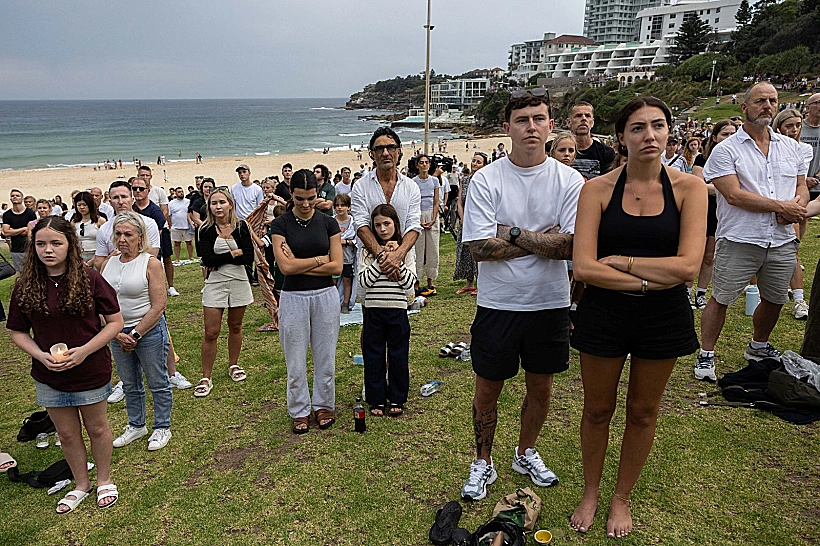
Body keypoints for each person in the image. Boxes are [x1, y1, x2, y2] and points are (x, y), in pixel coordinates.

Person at [569, 96, 706, 538]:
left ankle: (621, 497)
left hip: (662, 318)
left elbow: (687, 268)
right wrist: (653, 277)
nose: (650, 136)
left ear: (669, 132)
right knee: (597, 409)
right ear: (621, 138)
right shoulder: (597, 190)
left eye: (659, 126)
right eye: (638, 128)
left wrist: (625, 263)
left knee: (643, 412)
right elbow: (585, 267)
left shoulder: (689, 189)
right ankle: (591, 490)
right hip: (603, 315)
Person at [460, 89, 583, 501]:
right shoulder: (486, 179)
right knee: (487, 389)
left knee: (541, 388)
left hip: (549, 302)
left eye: (540, 118)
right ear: (507, 127)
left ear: (550, 124)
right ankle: (483, 460)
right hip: (498, 304)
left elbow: (569, 247)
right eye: (523, 119)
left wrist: (509, 231)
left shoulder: (568, 180)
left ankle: (525, 451)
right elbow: (478, 248)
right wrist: (542, 238)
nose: (532, 126)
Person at [7, 216, 124, 513]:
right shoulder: (25, 286)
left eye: (56, 243)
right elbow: (18, 331)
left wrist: (85, 350)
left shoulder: (89, 278)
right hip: (49, 374)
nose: (48, 250)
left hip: (90, 368)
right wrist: (40, 355)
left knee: (97, 427)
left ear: (70, 244)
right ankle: (81, 484)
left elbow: (115, 322)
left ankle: (104, 480)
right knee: (67, 433)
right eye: (41, 244)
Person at [696, 83, 808, 381]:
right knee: (721, 298)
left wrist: (796, 206)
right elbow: (734, 195)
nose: (768, 106)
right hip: (740, 238)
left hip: (782, 239)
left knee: (775, 299)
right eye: (760, 101)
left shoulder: (792, 148)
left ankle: (758, 345)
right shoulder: (726, 150)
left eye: (772, 100)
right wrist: (781, 208)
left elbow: (801, 186)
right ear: (744, 108)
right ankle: (706, 354)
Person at [270, 169, 343, 434]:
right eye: (299, 198)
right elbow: (285, 268)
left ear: (318, 193)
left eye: (310, 198)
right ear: (291, 194)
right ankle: (299, 409)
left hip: (325, 296)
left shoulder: (328, 222)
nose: (305, 204)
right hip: (293, 298)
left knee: (326, 356)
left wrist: (300, 264)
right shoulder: (280, 225)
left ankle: (324, 404)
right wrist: (318, 260)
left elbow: (337, 265)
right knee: (295, 359)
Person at [101, 212, 172, 451]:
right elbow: (99, 302)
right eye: (118, 234)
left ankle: (162, 426)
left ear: (140, 238)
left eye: (128, 234)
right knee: (129, 382)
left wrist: (135, 334)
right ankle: (136, 424)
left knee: (157, 380)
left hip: (147, 330)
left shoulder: (150, 263)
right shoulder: (107, 263)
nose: (122, 239)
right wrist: (115, 332)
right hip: (117, 332)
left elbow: (159, 305)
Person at [195, 188, 254, 397]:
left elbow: (248, 257)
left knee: (235, 326)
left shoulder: (242, 226)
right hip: (215, 282)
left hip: (238, 280)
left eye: (222, 202)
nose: (218, 207)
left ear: (230, 204)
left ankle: (233, 364)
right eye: (213, 203)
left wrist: (224, 257)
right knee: (211, 331)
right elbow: (206, 259)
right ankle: (206, 376)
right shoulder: (205, 229)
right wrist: (232, 253)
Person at [351, 127, 421, 303]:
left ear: (399, 151)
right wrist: (383, 257)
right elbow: (361, 225)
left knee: (401, 314)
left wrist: (398, 256)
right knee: (370, 317)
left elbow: (413, 226)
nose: (385, 153)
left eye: (390, 147)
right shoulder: (361, 186)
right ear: (372, 154)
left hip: (403, 260)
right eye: (379, 149)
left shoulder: (411, 187)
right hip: (369, 262)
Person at [359, 204, 416, 417]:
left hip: (397, 311)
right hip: (374, 311)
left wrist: (396, 260)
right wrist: (382, 259)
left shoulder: (405, 251)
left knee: (398, 355)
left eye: (387, 224)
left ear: (395, 224)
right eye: (378, 225)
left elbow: (410, 283)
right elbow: (364, 281)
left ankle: (397, 397)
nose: (382, 229)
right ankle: (376, 398)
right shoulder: (367, 252)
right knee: (373, 356)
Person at [772, 108, 815, 320]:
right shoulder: (767, 147)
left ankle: (799, 300)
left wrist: (793, 208)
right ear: (779, 127)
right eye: (789, 126)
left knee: (793, 253)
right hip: (769, 204)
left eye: (798, 125)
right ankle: (760, 292)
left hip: (790, 203)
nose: (794, 130)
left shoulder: (803, 149)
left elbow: (800, 182)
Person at [690, 120, 737, 310]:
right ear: (715, 137)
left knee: (710, 256)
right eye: (725, 134)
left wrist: (724, 190)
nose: (729, 138)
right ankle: (685, 291)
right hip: (702, 209)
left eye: (733, 134)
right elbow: (697, 185)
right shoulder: (702, 158)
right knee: (695, 252)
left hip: (724, 211)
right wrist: (728, 190)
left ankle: (701, 293)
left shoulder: (738, 159)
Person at [94, 181, 160, 272]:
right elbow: (99, 262)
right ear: (110, 202)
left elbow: (152, 254)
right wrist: (113, 257)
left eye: (124, 197)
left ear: (132, 200)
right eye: (116, 198)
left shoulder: (149, 224)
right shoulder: (104, 229)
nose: (120, 202)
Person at [137, 166, 176, 295]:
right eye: (142, 175)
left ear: (151, 176)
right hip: (140, 231)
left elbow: (164, 211)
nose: (144, 177)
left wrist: (155, 230)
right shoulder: (135, 193)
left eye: (147, 175)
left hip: (160, 228)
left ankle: (170, 286)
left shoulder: (158, 191)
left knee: (166, 257)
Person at [453, 152, 488, 296]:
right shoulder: (465, 180)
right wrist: (462, 218)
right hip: (465, 222)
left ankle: (482, 284)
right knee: (465, 252)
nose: (474, 164)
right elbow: (460, 201)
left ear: (484, 165)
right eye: (474, 161)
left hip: (480, 222)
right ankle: (469, 283)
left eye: (478, 162)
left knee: (479, 252)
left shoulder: (486, 180)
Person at [411, 154, 440, 297]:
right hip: (418, 215)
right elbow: (413, 202)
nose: (424, 165)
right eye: (421, 162)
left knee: (433, 248)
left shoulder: (434, 181)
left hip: (431, 214)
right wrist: (418, 220)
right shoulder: (413, 182)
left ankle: (431, 280)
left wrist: (433, 218)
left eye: (426, 162)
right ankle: (416, 280)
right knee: (418, 249)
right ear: (417, 165)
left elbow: (436, 201)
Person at [568, 102, 616, 179]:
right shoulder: (559, 151)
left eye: (587, 116)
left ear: (592, 122)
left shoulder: (606, 152)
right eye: (578, 116)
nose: (584, 119)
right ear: (568, 122)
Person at [3, 189, 37, 272]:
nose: (14, 197)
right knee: (20, 275)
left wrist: (13, 231)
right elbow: (6, 232)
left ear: (22, 199)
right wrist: (23, 228)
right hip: (16, 249)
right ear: (10, 199)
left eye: (17, 195)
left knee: (32, 272)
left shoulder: (30, 213)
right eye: (12, 196)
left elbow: (31, 231)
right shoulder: (7, 215)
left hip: (30, 248)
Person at [334, 193, 357, 313]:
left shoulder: (353, 223)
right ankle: (332, 303)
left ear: (348, 207)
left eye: (343, 205)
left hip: (348, 257)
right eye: (337, 205)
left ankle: (346, 303)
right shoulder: (331, 222)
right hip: (333, 257)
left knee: (347, 280)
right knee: (332, 281)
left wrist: (345, 241)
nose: (339, 208)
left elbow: (357, 240)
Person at [70, 191, 106, 265]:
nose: (82, 207)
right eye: (79, 205)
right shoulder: (74, 222)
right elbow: (72, 242)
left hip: (96, 256)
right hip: (80, 256)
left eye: (84, 205)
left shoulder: (100, 221)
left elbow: (105, 242)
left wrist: (92, 260)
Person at [799, 92, 820, 201]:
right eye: (818, 103)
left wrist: (817, 177)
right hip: (798, 185)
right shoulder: (797, 128)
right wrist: (804, 179)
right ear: (808, 108)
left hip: (818, 183)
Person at [169, 187, 194, 262]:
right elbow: (169, 215)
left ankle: (191, 257)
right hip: (176, 226)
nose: (181, 193)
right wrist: (170, 225)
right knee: (176, 243)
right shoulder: (171, 203)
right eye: (179, 192)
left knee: (189, 242)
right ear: (175, 193)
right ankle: (177, 258)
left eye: (182, 191)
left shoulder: (188, 202)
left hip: (186, 226)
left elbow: (191, 213)